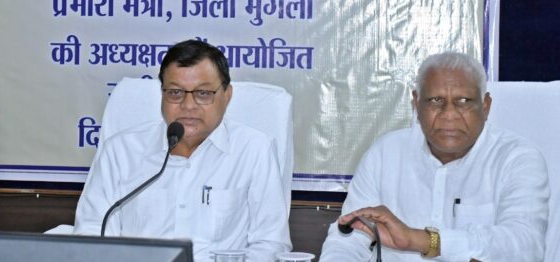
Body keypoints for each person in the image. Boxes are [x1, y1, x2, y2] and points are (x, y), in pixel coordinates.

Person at [74, 39, 291, 261]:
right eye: (175, 92)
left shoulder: (254, 150)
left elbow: (271, 243)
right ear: (162, 93)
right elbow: (92, 232)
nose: (188, 105)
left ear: (227, 95)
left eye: (203, 93)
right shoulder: (121, 151)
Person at [320, 52, 549, 261]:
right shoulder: (385, 154)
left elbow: (524, 245)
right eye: (436, 101)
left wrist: (420, 240)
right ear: (416, 104)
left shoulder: (516, 159)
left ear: (486, 106)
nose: (449, 114)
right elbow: (348, 236)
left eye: (463, 101)